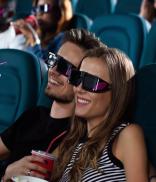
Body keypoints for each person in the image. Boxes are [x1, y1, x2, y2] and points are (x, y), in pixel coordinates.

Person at [0, 29, 106, 180]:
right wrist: (7, 174)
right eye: (54, 60)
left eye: (65, 68)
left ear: (82, 79)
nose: (54, 70)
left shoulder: (77, 136)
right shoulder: (33, 115)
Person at [52, 47, 149, 181]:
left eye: (91, 82)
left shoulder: (127, 135)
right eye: (77, 78)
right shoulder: (71, 141)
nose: (79, 88)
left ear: (116, 93)